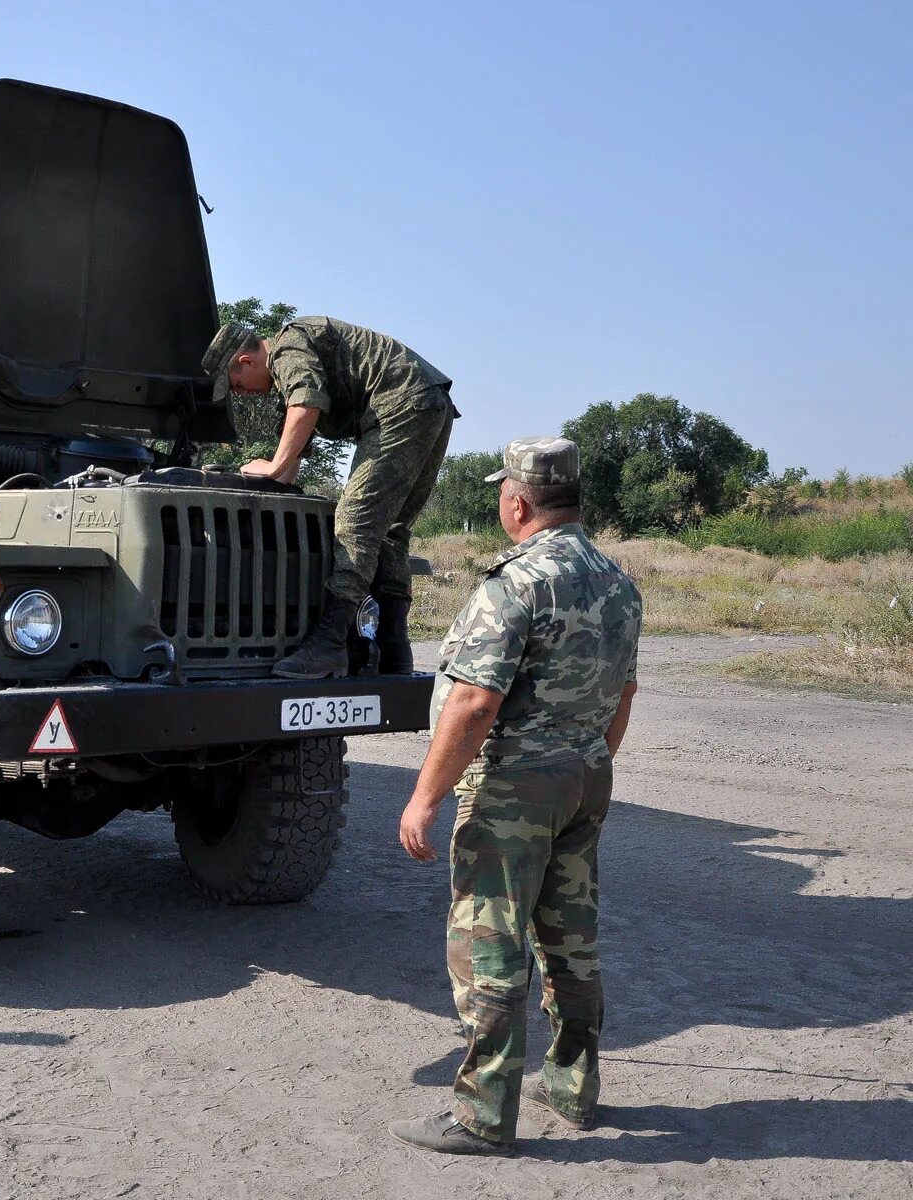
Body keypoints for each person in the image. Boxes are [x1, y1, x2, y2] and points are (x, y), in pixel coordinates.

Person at [387, 437, 642, 1157]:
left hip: (513, 789)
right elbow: (622, 696)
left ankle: (482, 1117)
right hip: (586, 777)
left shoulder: (517, 584)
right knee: (570, 940)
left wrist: (423, 798)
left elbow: (472, 703)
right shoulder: (618, 582)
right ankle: (572, 1086)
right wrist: (583, 764)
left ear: (517, 502)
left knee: (491, 945)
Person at [201, 317, 456, 679]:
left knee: (355, 523)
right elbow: (291, 461)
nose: (240, 393)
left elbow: (305, 404)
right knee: (390, 532)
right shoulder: (287, 380)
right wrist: (266, 470)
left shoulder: (288, 346)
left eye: (235, 384)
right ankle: (394, 650)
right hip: (429, 401)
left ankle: (330, 644)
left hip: (400, 402)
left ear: (247, 361)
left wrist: (272, 466)